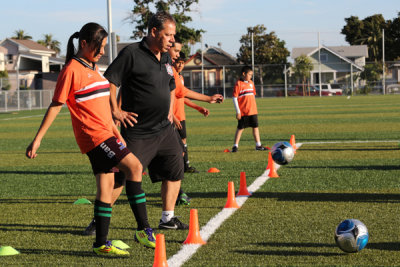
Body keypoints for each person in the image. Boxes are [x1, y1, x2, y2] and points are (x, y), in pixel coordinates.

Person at [25, 23, 156, 255]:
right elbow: (56, 105)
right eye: (99, 46)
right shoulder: (71, 70)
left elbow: (103, 109)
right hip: (94, 135)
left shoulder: (93, 67)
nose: (103, 51)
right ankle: (143, 228)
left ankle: (100, 243)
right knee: (135, 167)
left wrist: (117, 133)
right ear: (84, 44)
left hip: (106, 133)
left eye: (104, 47)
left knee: (106, 187)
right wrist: (38, 140)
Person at [103, 11, 189, 230]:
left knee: (175, 169)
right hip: (138, 131)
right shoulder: (131, 53)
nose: (172, 40)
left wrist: (170, 110)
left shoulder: (167, 55)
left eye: (173, 35)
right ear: (153, 31)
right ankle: (99, 220)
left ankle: (167, 218)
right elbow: (111, 82)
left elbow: (170, 85)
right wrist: (116, 111)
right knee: (122, 177)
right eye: (168, 35)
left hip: (164, 129)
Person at [170, 48, 223, 205]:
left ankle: (178, 193)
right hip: (165, 121)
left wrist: (201, 105)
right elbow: (171, 96)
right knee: (169, 157)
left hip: (173, 118)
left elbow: (181, 94)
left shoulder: (175, 76)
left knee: (175, 154)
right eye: (176, 52)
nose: (178, 58)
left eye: (180, 57)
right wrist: (171, 115)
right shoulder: (169, 73)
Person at [231, 66, 268, 152]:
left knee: (255, 127)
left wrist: (254, 107)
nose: (251, 76)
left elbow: (252, 96)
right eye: (249, 74)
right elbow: (234, 98)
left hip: (253, 110)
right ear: (244, 74)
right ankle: (235, 146)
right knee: (240, 128)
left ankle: (258, 145)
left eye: (252, 75)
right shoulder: (238, 84)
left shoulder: (251, 83)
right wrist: (238, 111)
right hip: (244, 112)